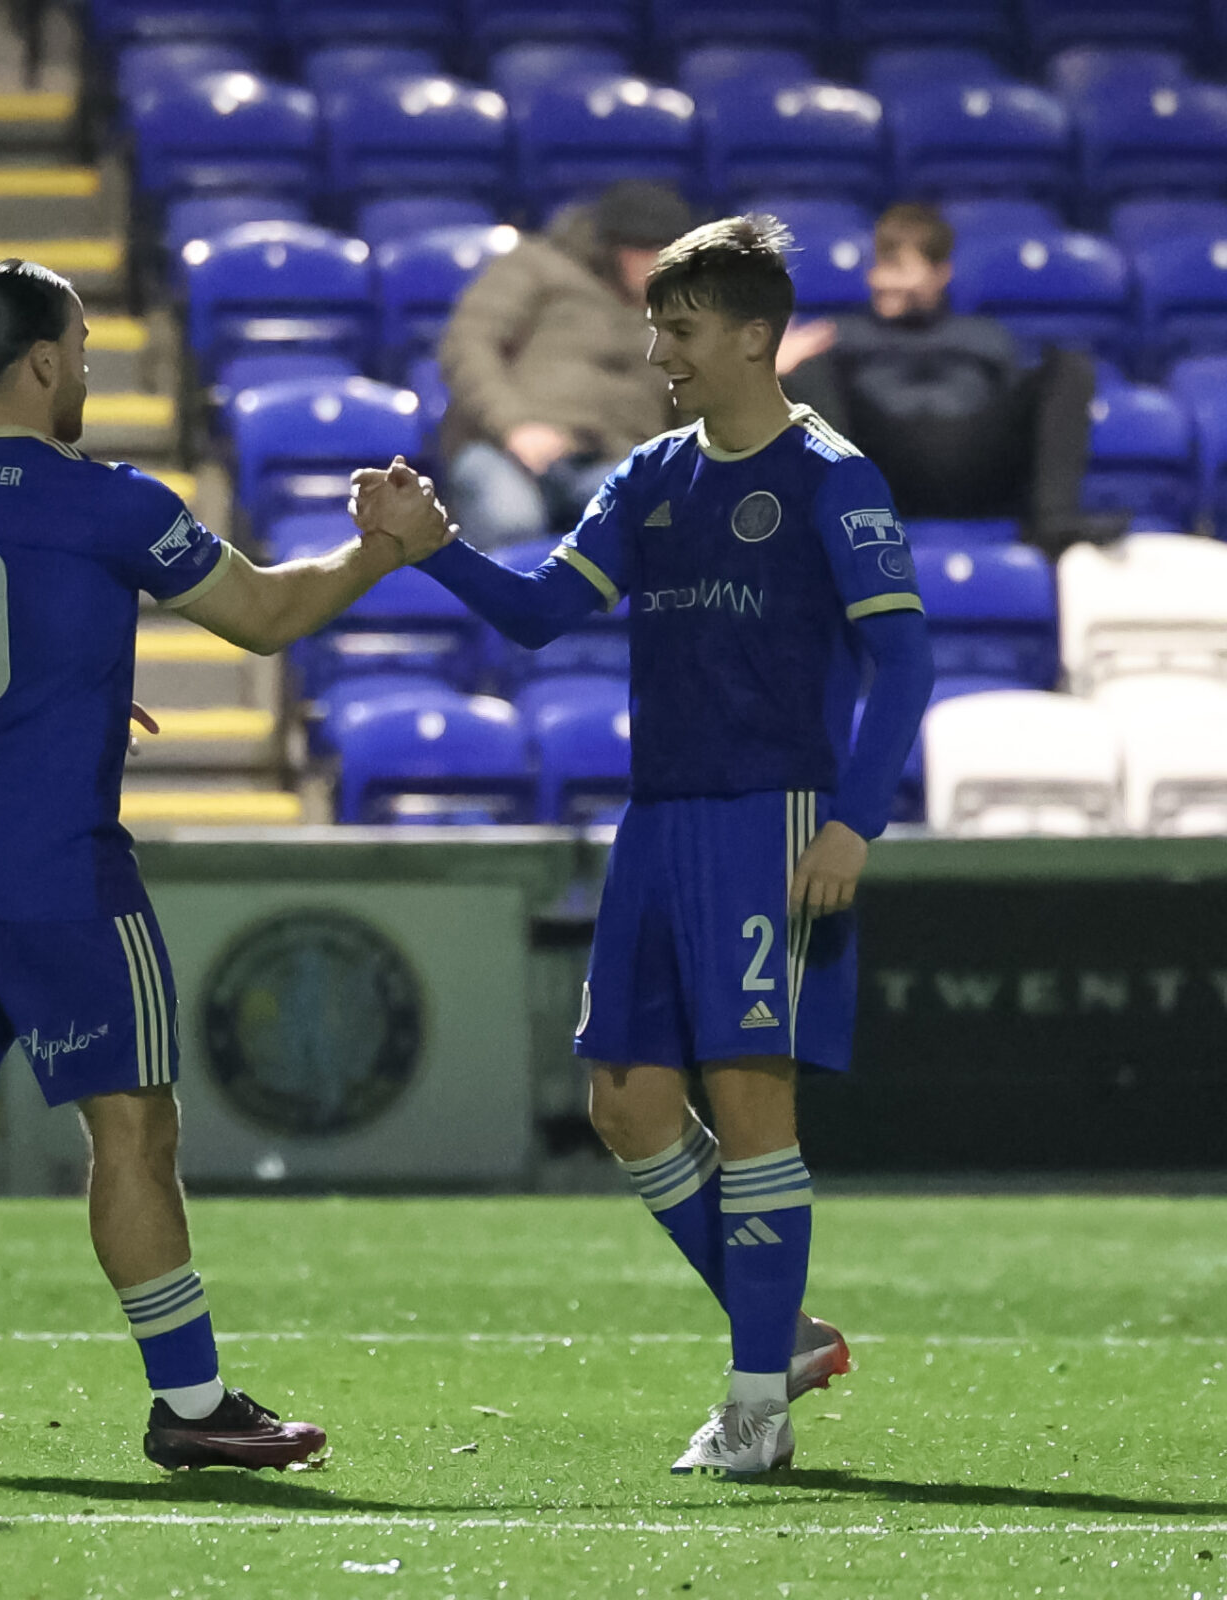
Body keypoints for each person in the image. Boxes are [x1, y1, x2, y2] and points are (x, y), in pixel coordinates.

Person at [0, 258, 445, 1479]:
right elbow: (263, 615)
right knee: (132, 1126)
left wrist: (53, 684)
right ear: (40, 363)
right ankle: (191, 1401)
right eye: (78, 347)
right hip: (55, 870)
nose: (85, 368)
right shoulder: (107, 502)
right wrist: (379, 555)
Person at [354, 217, 935, 1476]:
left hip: (770, 819)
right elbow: (543, 615)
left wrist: (854, 819)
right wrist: (436, 546)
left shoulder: (836, 478)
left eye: (678, 329)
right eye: (655, 325)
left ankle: (756, 1412)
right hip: (657, 823)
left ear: (752, 336)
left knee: (749, 1101)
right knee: (624, 1102)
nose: (656, 349)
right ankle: (777, 1335)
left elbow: (905, 658)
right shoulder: (651, 476)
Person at [778, 201, 1115, 556]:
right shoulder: (835, 337)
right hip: (883, 467)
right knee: (806, 370)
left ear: (940, 273)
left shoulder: (985, 337)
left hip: (977, 465)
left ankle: (1054, 522)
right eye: (879, 266)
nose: (883, 280)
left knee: (1069, 367)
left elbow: (1017, 422)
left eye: (900, 268)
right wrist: (779, 367)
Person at [435, 180, 692, 548]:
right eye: (648, 252)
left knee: (664, 524)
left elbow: (694, 418)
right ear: (612, 247)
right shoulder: (540, 266)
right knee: (511, 521)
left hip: (611, 460)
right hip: (505, 447)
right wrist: (515, 426)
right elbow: (467, 343)